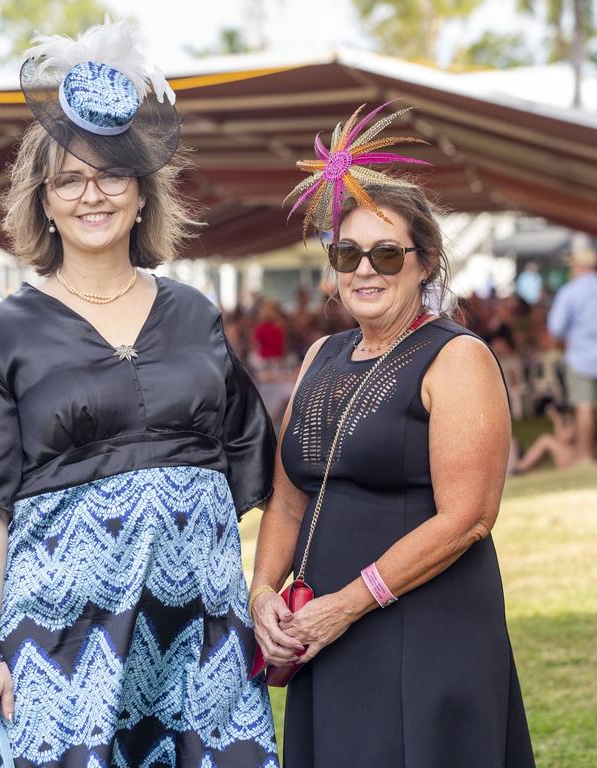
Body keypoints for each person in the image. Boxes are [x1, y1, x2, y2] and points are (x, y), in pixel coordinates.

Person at [0, 21, 279, 767]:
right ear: (45, 201)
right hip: (59, 645)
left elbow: (260, 475)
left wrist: (261, 595)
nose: (91, 194)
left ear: (142, 191)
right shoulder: (1, 336)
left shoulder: (195, 315)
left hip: (200, 640)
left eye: (110, 174)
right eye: (69, 178)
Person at [250, 105, 534, 767]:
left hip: (424, 631)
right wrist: (263, 592)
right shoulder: (323, 353)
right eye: (348, 253)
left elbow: (469, 517)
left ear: (425, 262)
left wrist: (347, 605)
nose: (365, 270)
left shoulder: (455, 358)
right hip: (326, 633)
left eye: (386, 253)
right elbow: (289, 500)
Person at [548, 237, 597, 462]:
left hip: (580, 358)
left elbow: (555, 328)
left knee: (584, 406)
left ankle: (586, 456)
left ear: (578, 267)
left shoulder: (569, 292)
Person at [513, 399, 582, 473]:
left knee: (545, 440)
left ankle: (519, 468)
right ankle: (521, 467)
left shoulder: (580, 415)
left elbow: (564, 437)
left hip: (574, 459)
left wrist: (556, 419)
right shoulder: (581, 414)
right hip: (575, 457)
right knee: (545, 440)